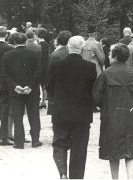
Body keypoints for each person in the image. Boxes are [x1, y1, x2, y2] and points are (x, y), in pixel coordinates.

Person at [48, 35, 97, 179]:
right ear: (82, 49)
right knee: (80, 148)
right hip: (82, 113)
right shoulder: (90, 67)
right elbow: (93, 90)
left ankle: (63, 173)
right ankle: (77, 177)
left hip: (61, 111)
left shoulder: (56, 65)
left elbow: (49, 88)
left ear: (68, 47)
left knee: (59, 143)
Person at [93, 43, 133, 180]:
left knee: (113, 151)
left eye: (110, 54)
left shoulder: (106, 74)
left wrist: (102, 106)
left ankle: (115, 178)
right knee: (131, 150)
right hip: (131, 117)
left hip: (112, 117)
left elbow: (96, 97)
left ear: (115, 56)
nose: (108, 56)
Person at [1, 32, 42, 149]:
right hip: (32, 90)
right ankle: (35, 140)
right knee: (34, 115)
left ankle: (19, 142)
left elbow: (5, 74)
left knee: (17, 115)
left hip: (16, 91)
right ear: (25, 41)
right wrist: (30, 86)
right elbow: (38, 72)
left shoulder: (7, 55)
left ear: (14, 41)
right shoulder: (34, 54)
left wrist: (15, 86)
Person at [36, 28, 51, 110]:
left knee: (38, 85)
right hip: (46, 66)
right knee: (44, 85)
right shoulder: (47, 44)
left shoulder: (39, 45)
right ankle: (43, 101)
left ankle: (40, 101)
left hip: (40, 66)